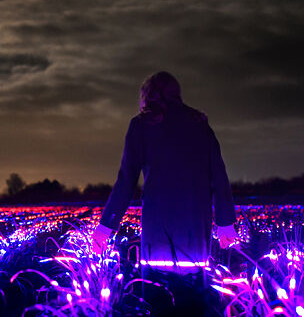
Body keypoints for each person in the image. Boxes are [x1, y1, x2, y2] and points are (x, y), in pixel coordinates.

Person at [92, 71, 237, 264]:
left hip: (157, 227)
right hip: (195, 228)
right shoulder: (199, 124)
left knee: (156, 289)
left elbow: (126, 181)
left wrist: (105, 228)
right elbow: (219, 175)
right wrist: (225, 223)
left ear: (146, 96)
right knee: (193, 288)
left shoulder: (141, 125)